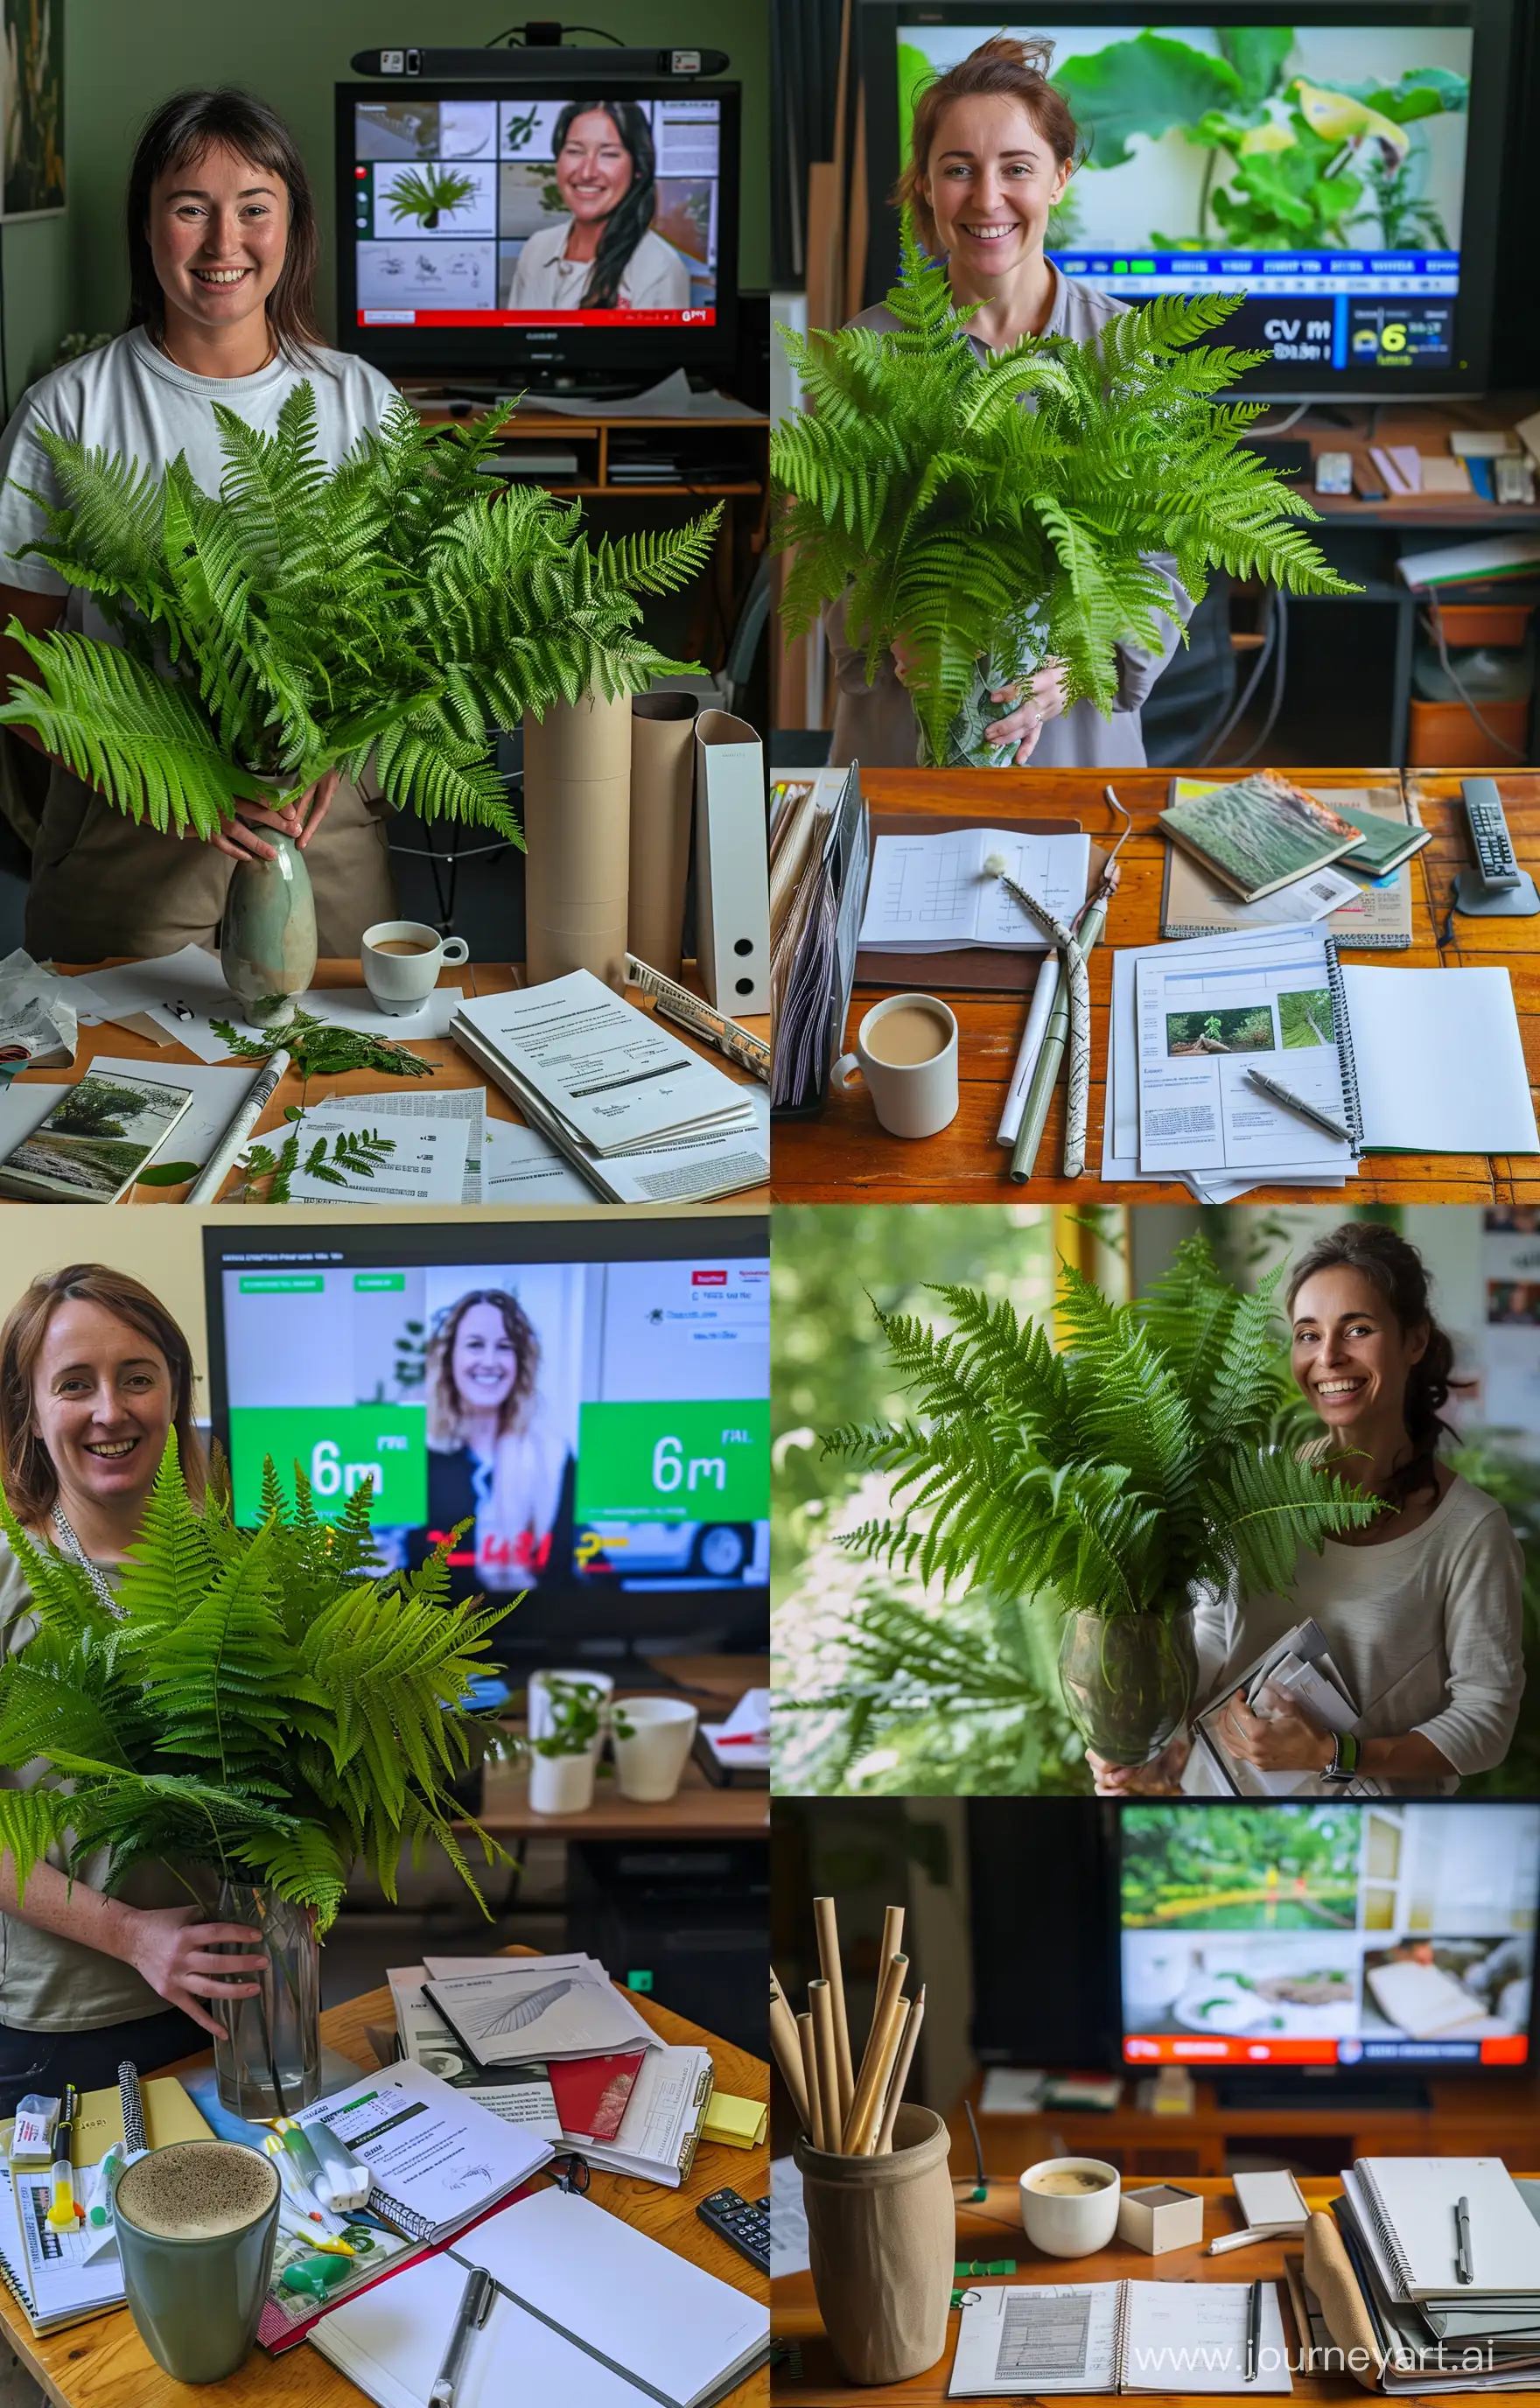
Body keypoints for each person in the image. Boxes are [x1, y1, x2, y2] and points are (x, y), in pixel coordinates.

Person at [0, 87, 402, 965]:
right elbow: (15, 671)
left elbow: (403, 632)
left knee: (338, 1075)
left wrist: (345, 740)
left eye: (254, 209)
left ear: (291, 224)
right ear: (147, 229)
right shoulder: (66, 413)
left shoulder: (360, 403)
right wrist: (166, 782)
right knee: (107, 1075)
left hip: (316, 814)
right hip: (129, 817)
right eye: (191, 210)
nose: (225, 244)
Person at [827, 35, 1193, 771]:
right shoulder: (866, 349)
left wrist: (1073, 660)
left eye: (1015, 168)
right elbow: (827, 546)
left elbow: (1163, 561)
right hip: (908, 728)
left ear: (1060, 177)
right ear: (926, 185)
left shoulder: (1124, 348)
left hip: (1073, 744)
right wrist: (899, 624)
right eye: (958, 170)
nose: (987, 198)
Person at [1092, 1223, 1525, 1800]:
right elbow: (1214, 1646)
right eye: (1307, 1334)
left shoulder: (1468, 1531)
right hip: (1214, 1810)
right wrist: (1153, 1746)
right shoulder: (1250, 1489)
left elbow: (1485, 1719)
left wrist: (1336, 1755)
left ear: (1414, 1341)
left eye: (1358, 1329)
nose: (1328, 1357)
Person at [0, 1265, 269, 2114]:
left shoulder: (239, 1569)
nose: (110, 1410)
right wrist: (129, 1933)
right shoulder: (8, 1577)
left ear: (174, 1392)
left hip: (236, 2000)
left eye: (137, 1376)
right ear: (32, 1413)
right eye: (75, 1384)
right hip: (69, 2029)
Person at [418, 1289, 570, 1596]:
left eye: (504, 1347)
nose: (490, 1361)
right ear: (449, 1358)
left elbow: (563, 1578)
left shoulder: (554, 1456)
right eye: (475, 1345)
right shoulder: (417, 1456)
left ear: (520, 1362)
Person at [507, 101, 690, 312]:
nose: (587, 173)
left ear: (638, 168)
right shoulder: (537, 248)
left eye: (609, 154)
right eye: (575, 151)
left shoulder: (659, 267)